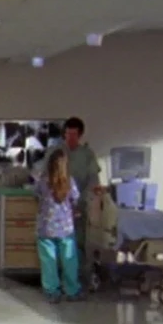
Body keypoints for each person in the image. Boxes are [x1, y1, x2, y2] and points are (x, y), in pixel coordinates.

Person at [35, 148, 83, 303]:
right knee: (69, 261)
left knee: (48, 261)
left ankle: (52, 292)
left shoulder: (43, 182)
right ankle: (72, 290)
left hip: (46, 228)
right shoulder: (70, 182)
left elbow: (36, 195)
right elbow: (75, 200)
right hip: (66, 229)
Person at [60, 116, 102, 260]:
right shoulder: (56, 152)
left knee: (78, 241)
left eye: (74, 135)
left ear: (80, 135)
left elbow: (93, 181)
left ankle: (78, 269)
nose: (70, 138)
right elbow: (45, 177)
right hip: (58, 206)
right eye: (68, 134)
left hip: (80, 206)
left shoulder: (87, 154)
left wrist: (80, 201)